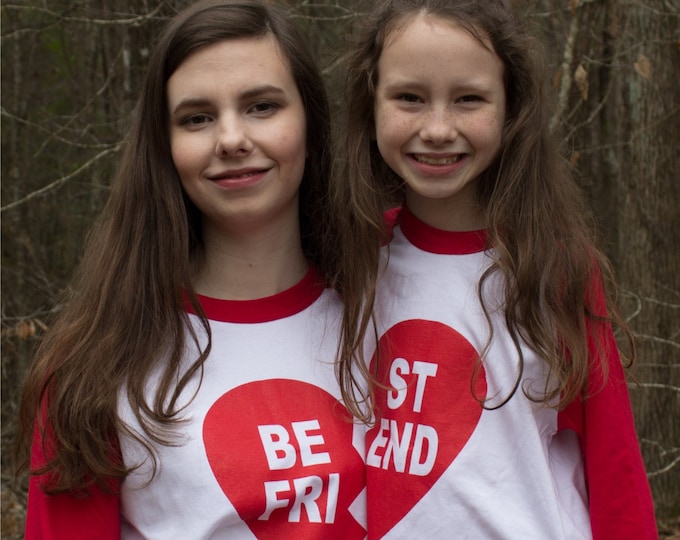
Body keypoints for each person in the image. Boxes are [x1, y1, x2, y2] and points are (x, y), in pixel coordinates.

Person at [16, 1, 369, 538]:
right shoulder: (94, 369)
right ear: (165, 146)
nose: (231, 140)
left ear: (310, 122)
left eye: (261, 107)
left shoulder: (387, 309)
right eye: (197, 118)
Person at [337, 0, 658, 538]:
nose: (438, 129)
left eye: (468, 99)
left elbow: (613, 461)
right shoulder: (352, 261)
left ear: (511, 111)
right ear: (371, 108)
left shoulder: (553, 266)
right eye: (409, 98)